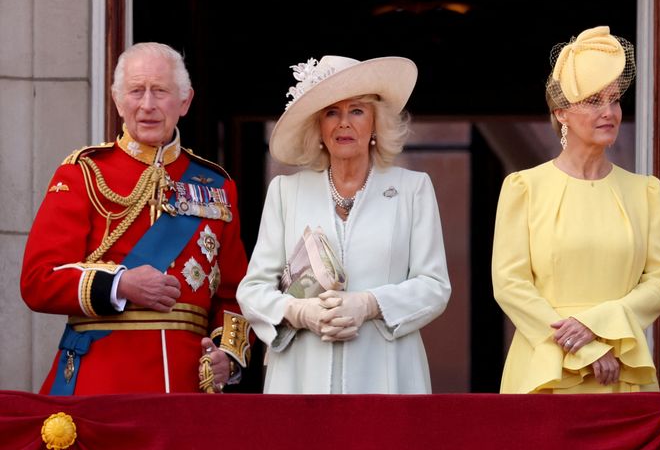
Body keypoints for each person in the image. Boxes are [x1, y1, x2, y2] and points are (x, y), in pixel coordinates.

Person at [20, 42, 252, 395]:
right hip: (101, 382)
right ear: (117, 100)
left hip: (186, 386)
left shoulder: (218, 185)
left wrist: (226, 356)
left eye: (160, 91)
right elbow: (39, 281)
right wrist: (120, 285)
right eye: (136, 91)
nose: (147, 105)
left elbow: (235, 295)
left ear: (185, 101)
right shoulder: (83, 173)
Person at [236, 54, 450, 393]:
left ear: (376, 124)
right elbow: (252, 291)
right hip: (300, 377)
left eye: (357, 111)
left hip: (386, 375)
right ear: (318, 127)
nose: (343, 123)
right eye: (331, 112)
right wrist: (299, 311)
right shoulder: (285, 191)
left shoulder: (413, 188)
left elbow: (434, 286)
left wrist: (368, 305)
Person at [491, 26, 660, 394]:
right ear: (561, 113)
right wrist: (584, 349)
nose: (609, 112)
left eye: (615, 100)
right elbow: (510, 286)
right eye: (593, 101)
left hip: (622, 367)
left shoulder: (646, 191)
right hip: (545, 370)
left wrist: (599, 326)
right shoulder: (523, 188)